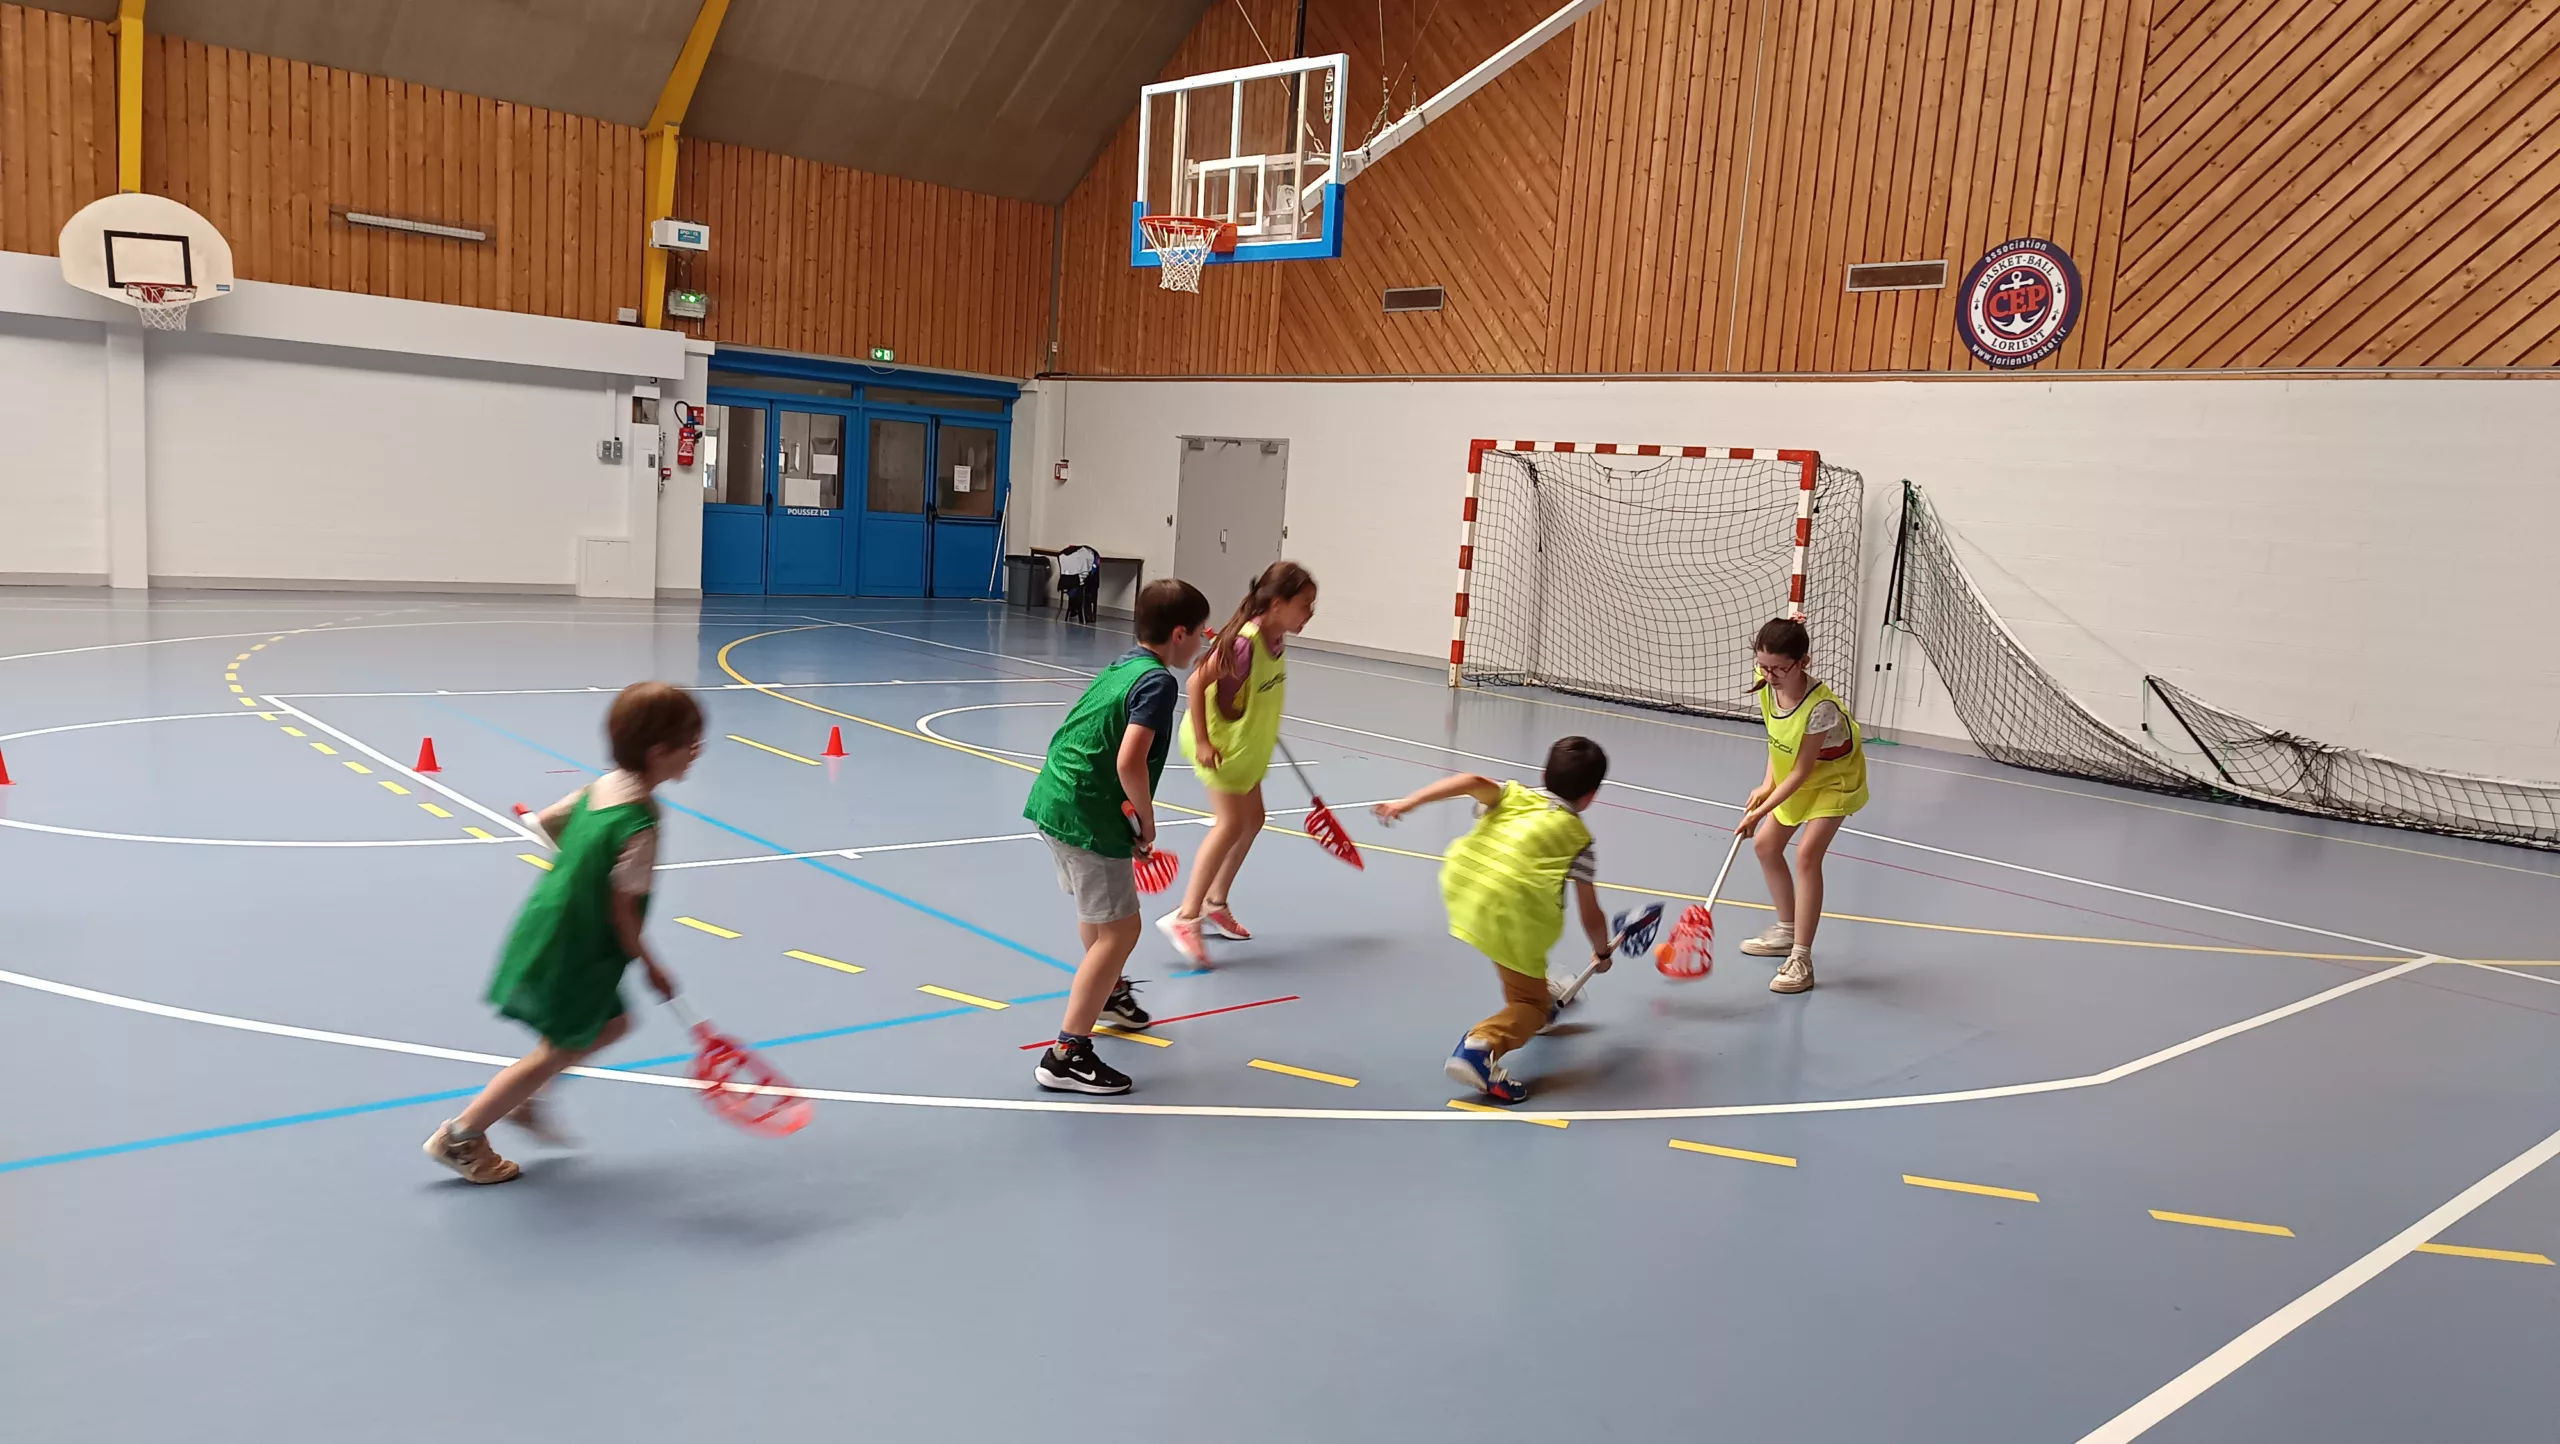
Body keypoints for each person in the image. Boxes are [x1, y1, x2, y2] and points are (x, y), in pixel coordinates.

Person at [423, 681, 704, 1184]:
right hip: (580, 945)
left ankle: (529, 1099)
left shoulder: (603, 787)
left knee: (611, 1024)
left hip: (552, 922)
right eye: (691, 742)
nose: (697, 751)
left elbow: (546, 823)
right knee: (558, 1049)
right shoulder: (640, 823)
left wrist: (582, 864)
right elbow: (623, 912)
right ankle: (462, 1136)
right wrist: (653, 967)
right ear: (659, 752)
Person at [1024, 577, 1213, 1095]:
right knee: (1121, 931)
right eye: (1200, 632)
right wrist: (1146, 821)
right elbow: (1129, 759)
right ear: (1179, 634)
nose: (1203, 641)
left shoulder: (1124, 664)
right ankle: (1066, 1054)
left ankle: (1107, 994)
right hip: (1087, 812)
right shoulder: (1159, 682)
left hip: (1057, 800)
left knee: (1100, 919)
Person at [1373, 737, 1612, 1104]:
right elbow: (1590, 912)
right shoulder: (1578, 840)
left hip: (1466, 889)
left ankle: (1536, 994)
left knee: (1516, 954)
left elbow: (1470, 781)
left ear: (1543, 774)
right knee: (1531, 1006)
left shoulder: (1513, 795)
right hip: (1512, 916)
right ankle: (1481, 1046)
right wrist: (1602, 952)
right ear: (1591, 796)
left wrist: (1408, 802)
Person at [1157, 561, 1320, 968]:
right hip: (1219, 747)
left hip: (1246, 747)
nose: (1310, 612)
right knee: (1230, 823)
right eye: (1304, 603)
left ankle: (1215, 902)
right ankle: (1186, 917)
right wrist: (1204, 741)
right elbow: (1196, 682)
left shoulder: (1275, 639)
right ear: (1277, 604)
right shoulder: (1246, 643)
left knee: (1253, 819)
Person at [1735, 616, 1870, 994]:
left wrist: (1760, 811)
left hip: (1833, 782)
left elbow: (1801, 771)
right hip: (1796, 776)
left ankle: (1801, 959)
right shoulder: (1768, 681)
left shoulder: (1820, 708)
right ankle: (1786, 929)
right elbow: (1778, 740)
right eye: (1763, 666)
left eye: (1779, 668)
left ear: (1803, 662)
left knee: (1807, 855)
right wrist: (1766, 783)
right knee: (1766, 846)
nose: (1769, 675)